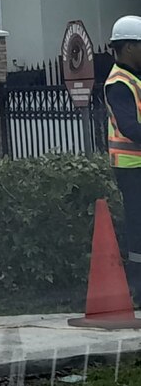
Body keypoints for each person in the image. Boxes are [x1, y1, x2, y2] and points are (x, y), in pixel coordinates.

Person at [105, 15, 141, 298]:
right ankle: (138, 290)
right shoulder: (118, 83)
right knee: (138, 228)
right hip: (132, 168)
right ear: (129, 47)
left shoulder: (135, 77)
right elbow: (129, 127)